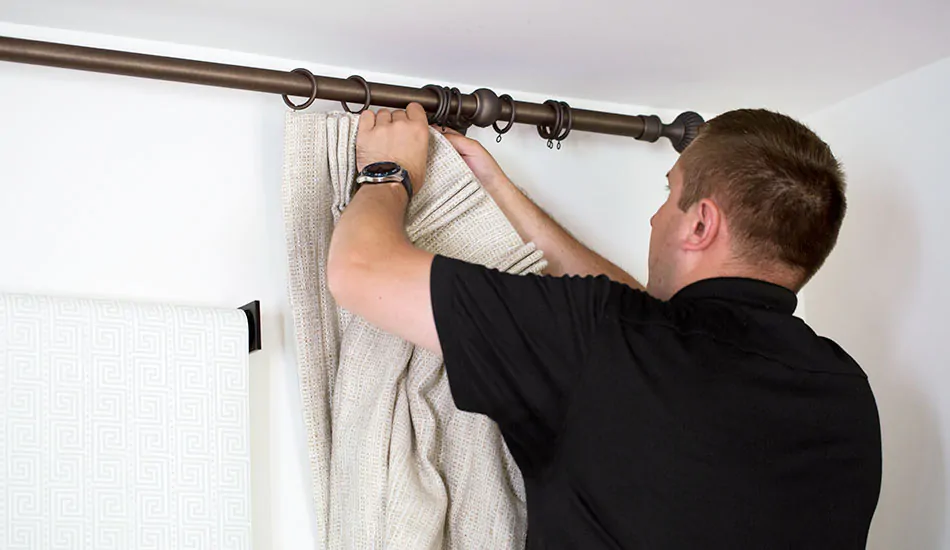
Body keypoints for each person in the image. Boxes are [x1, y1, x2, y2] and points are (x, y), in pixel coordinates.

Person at [327, 103, 882, 549]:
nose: (655, 216)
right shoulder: (845, 394)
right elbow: (657, 331)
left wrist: (387, 172)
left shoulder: (603, 341)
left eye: (670, 191)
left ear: (702, 222)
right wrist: (497, 192)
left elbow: (360, 271)